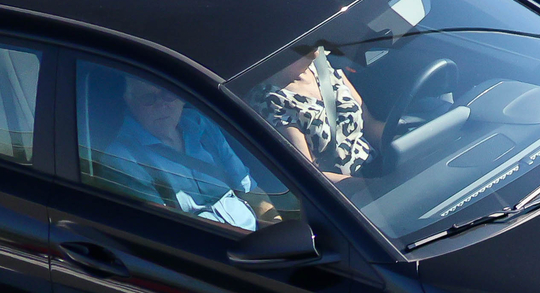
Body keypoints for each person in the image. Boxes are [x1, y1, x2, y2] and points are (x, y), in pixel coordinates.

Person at [100, 73, 277, 231]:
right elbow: (167, 231)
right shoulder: (122, 157)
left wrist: (275, 224)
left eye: (168, 94)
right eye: (149, 98)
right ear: (129, 101)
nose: (162, 105)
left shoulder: (202, 125)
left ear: (181, 97)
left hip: (254, 235)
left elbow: (249, 190)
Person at [260, 47, 373, 182]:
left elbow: (370, 125)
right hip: (350, 192)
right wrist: (373, 185)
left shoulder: (324, 64)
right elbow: (308, 174)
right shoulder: (272, 101)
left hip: (376, 168)